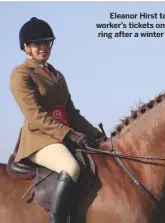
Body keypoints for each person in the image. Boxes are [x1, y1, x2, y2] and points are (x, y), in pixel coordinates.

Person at [10, 17, 104, 223]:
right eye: (37, 44)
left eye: (47, 42)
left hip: (62, 138)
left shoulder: (57, 75)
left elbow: (71, 114)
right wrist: (70, 134)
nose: (43, 47)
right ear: (26, 47)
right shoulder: (21, 74)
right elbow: (35, 116)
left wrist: (98, 136)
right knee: (71, 167)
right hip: (39, 141)